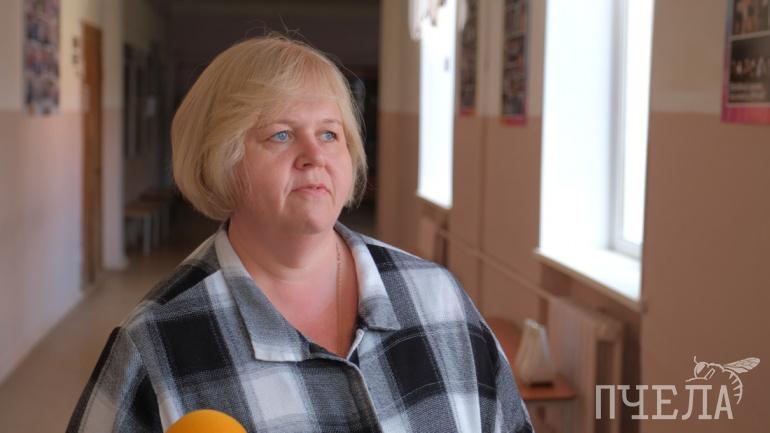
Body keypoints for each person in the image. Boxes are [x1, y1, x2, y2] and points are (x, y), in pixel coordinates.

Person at [66, 35, 534, 433]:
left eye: (330, 134)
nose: (315, 156)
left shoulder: (438, 298)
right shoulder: (156, 343)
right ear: (221, 159)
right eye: (281, 135)